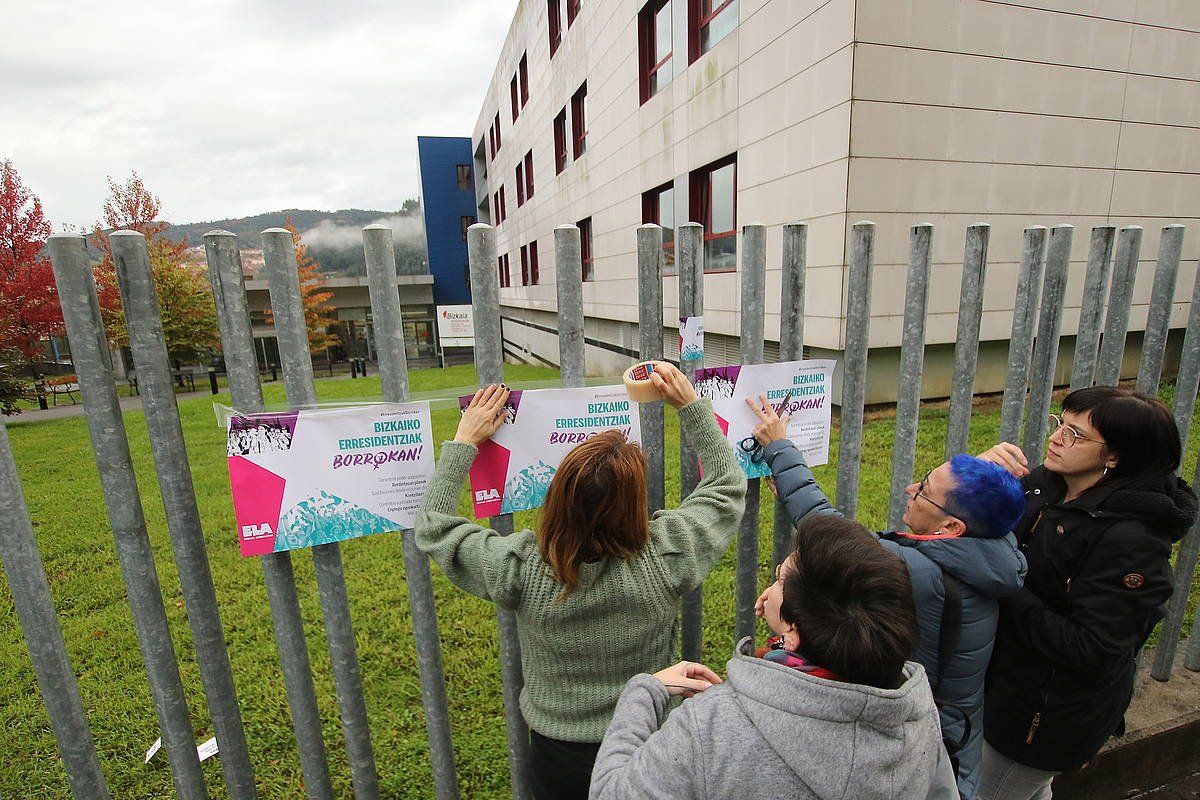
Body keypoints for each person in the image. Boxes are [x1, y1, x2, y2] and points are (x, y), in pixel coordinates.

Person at [415, 365, 746, 800]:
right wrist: (690, 407)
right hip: (651, 740)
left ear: (555, 499)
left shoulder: (519, 568)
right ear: (635, 505)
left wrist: (464, 442)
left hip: (559, 756)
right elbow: (726, 483)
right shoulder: (668, 555)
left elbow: (435, 527)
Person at [746, 396, 1027, 800]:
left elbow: (832, 535)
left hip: (919, 745)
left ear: (950, 526)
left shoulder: (923, 571)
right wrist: (978, 477)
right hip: (954, 736)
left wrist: (779, 447)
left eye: (925, 490)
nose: (911, 489)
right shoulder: (993, 546)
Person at [589, 515, 960, 800]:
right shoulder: (915, 707)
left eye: (781, 580)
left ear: (794, 632)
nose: (771, 588)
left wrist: (645, 691)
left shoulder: (712, 727)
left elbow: (610, 793)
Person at [975, 387, 1198, 800]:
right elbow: (952, 521)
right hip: (1005, 688)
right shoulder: (1048, 484)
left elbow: (1091, 647)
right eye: (1060, 424)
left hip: (1040, 718)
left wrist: (1005, 584)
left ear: (1115, 456)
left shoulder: (1132, 540)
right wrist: (979, 475)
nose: (1057, 438)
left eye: (1076, 434)